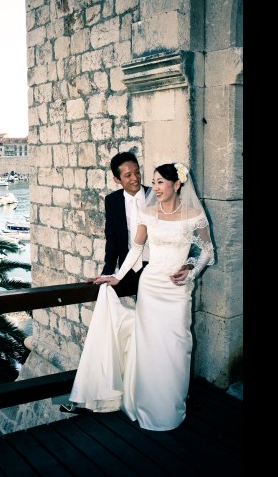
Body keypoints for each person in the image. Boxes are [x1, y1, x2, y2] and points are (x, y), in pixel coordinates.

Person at [65, 162, 215, 431]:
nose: (154, 187)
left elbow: (206, 250)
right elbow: (136, 249)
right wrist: (116, 277)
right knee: (150, 348)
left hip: (178, 290)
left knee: (177, 346)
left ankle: (170, 408)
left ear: (177, 184)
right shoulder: (148, 213)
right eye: (153, 182)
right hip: (151, 287)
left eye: (160, 182)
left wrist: (191, 271)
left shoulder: (194, 215)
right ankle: (147, 406)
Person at [87, 152, 194, 297]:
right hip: (128, 269)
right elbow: (112, 241)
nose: (135, 178)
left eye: (137, 172)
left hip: (158, 267)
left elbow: (182, 233)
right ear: (117, 179)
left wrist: (189, 265)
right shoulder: (112, 201)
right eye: (128, 175)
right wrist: (108, 273)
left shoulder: (158, 195)